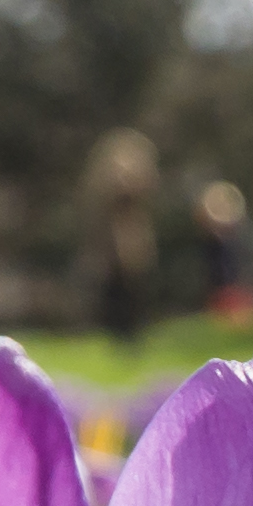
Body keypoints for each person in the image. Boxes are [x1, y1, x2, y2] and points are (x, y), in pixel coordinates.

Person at [84, 128, 161, 344]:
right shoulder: (106, 189)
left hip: (133, 243)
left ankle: (135, 337)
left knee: (136, 291)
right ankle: (116, 337)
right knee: (113, 294)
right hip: (112, 246)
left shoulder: (137, 191)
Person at [194, 179, 253, 323]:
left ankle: (234, 311)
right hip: (218, 273)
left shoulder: (232, 239)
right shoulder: (212, 240)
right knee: (220, 277)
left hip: (230, 270)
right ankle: (224, 311)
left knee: (231, 274)